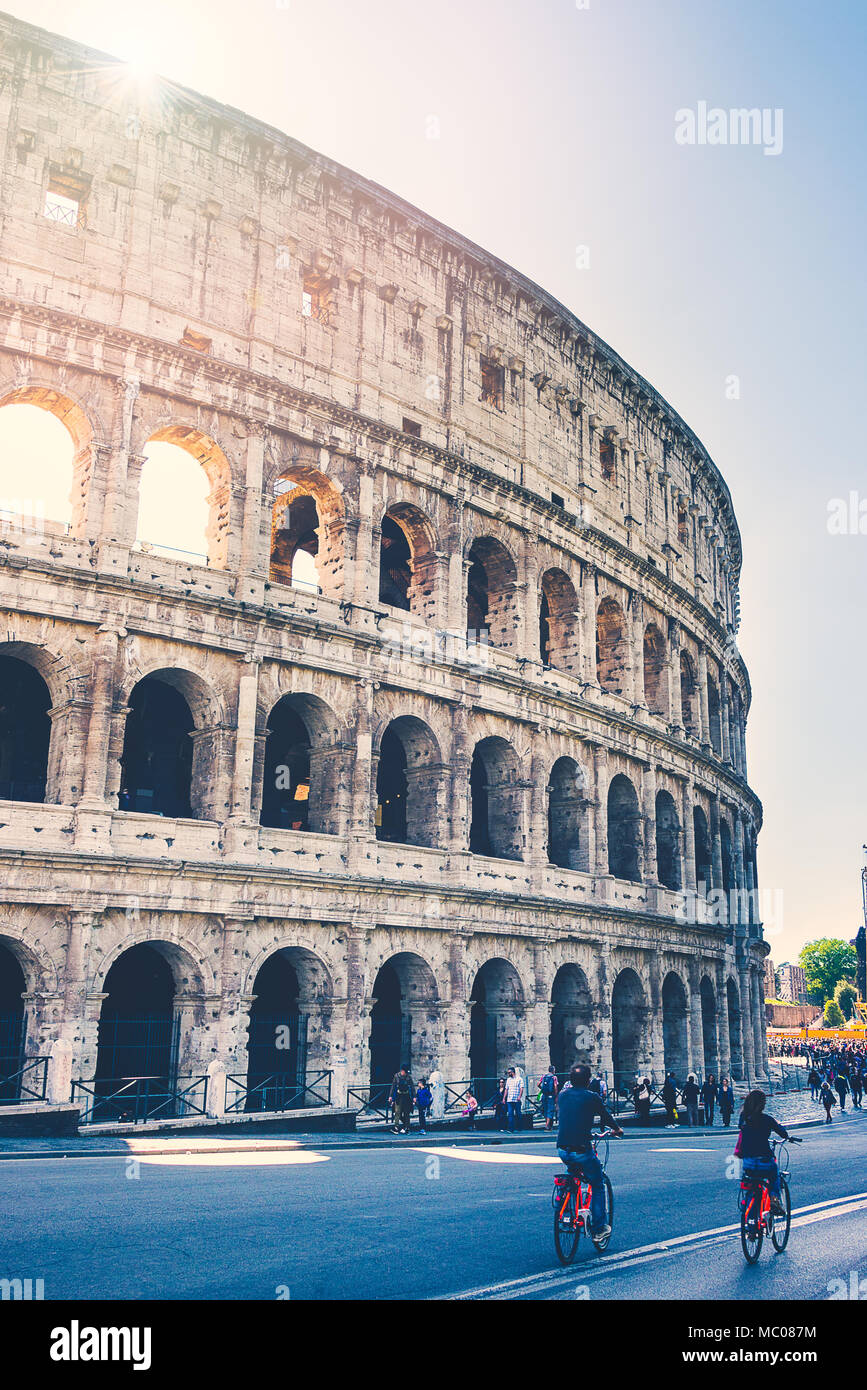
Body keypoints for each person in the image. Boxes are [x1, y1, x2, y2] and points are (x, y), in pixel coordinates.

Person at [556, 1064, 624, 1242]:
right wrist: (617, 1129)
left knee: (571, 1172)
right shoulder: (591, 1097)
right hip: (581, 1149)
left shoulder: (562, 1096)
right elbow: (605, 1116)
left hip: (562, 1149)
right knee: (597, 1183)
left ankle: (563, 1204)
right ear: (588, 1081)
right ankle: (599, 1228)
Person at [737, 1090, 788, 1216]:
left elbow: (741, 1126)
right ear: (762, 1104)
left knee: (751, 1184)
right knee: (774, 1175)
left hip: (748, 1161)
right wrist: (778, 1124)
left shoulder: (744, 1118)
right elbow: (783, 1134)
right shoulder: (767, 1119)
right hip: (765, 1161)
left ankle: (749, 1221)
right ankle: (775, 1201)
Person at [389, 1065, 414, 1134]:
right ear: (402, 1071)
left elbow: (412, 1087)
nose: (405, 1074)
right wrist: (390, 1096)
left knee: (406, 1112)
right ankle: (396, 1127)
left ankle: (407, 1127)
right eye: (404, 1072)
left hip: (406, 1096)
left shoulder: (409, 1077)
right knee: (397, 1112)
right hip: (398, 1096)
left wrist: (414, 1097)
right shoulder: (396, 1076)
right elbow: (393, 1086)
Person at [539, 1065, 559, 1131]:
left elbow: (538, 1084)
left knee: (545, 1110)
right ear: (553, 1070)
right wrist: (556, 1095)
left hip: (544, 1095)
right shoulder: (554, 1077)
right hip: (551, 1095)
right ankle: (547, 1126)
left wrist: (543, 1090)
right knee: (550, 1110)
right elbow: (555, 1086)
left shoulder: (544, 1076)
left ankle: (549, 1125)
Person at [504, 1067, 524, 1131]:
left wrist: (519, 1097)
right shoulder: (508, 1080)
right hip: (509, 1100)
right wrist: (504, 1098)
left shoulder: (519, 1079)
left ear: (513, 1072)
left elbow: (521, 1088)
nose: (508, 1074)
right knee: (510, 1114)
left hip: (516, 1099)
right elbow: (506, 1089)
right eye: (508, 1072)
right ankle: (510, 1128)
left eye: (509, 1072)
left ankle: (519, 1127)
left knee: (518, 1114)